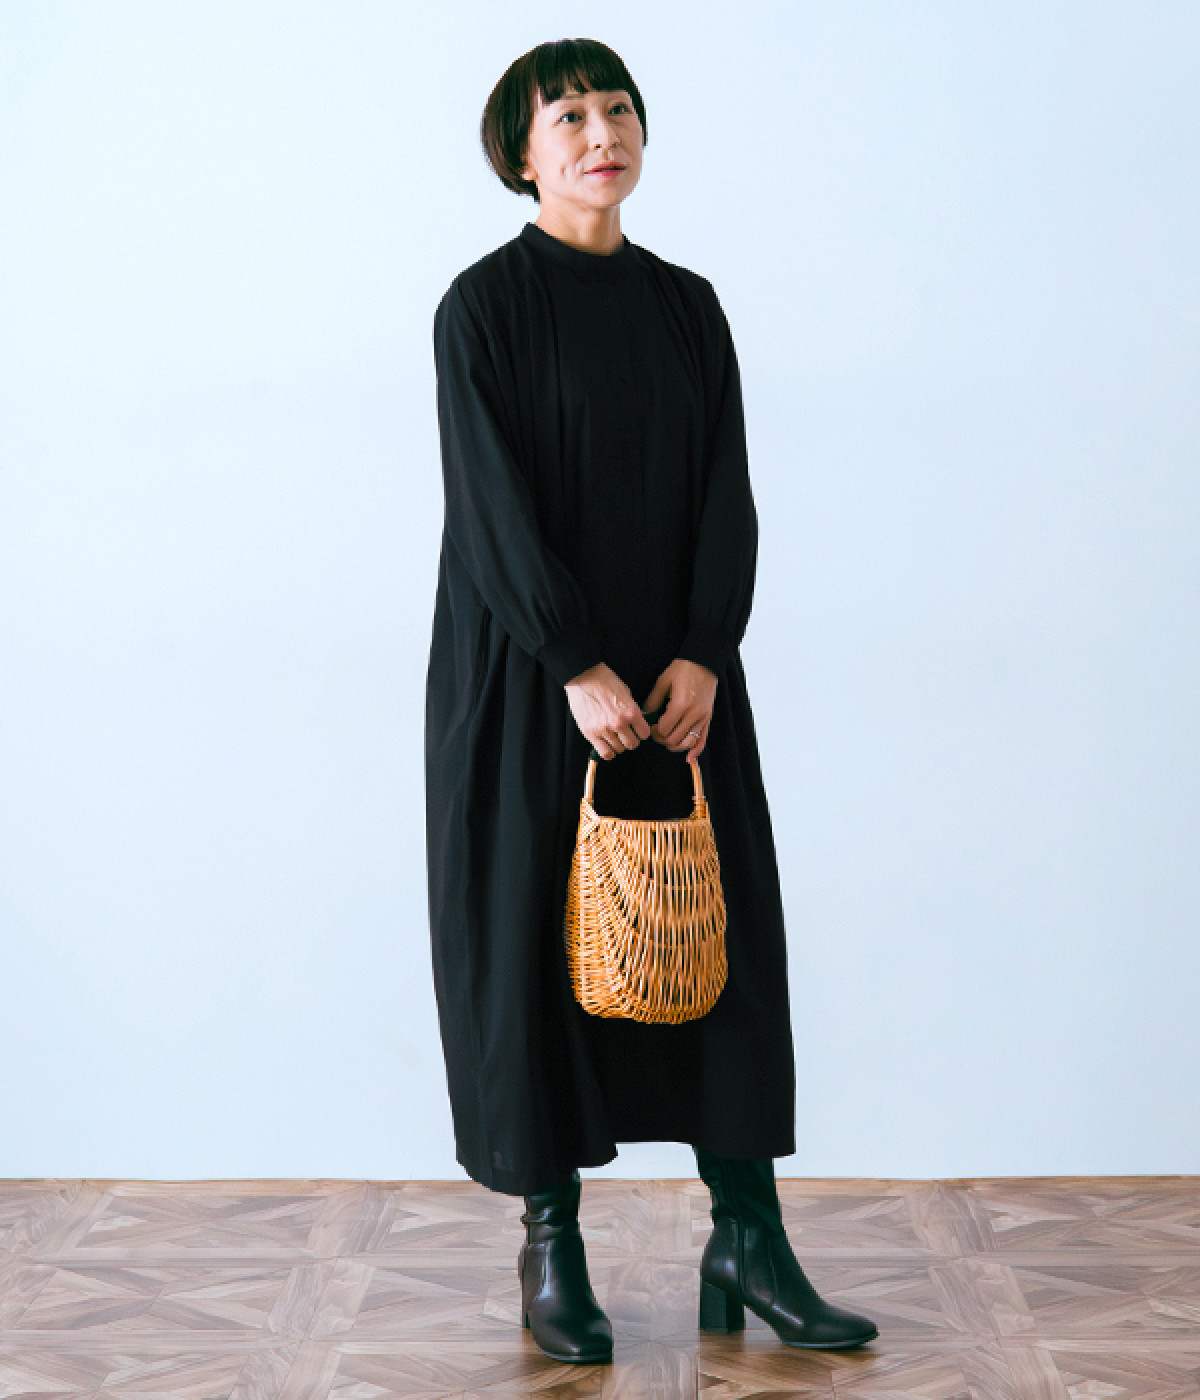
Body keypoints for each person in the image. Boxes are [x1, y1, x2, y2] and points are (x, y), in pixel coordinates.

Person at [425, 37, 879, 1363]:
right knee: (534, 945)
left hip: (681, 687)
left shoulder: (688, 305)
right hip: (531, 680)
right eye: (567, 116)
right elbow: (489, 506)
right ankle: (551, 1246)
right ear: (520, 153)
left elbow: (727, 487)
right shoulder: (482, 308)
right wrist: (573, 661)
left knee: (720, 944)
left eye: (617, 109)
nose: (599, 133)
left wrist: (705, 649)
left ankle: (750, 1239)